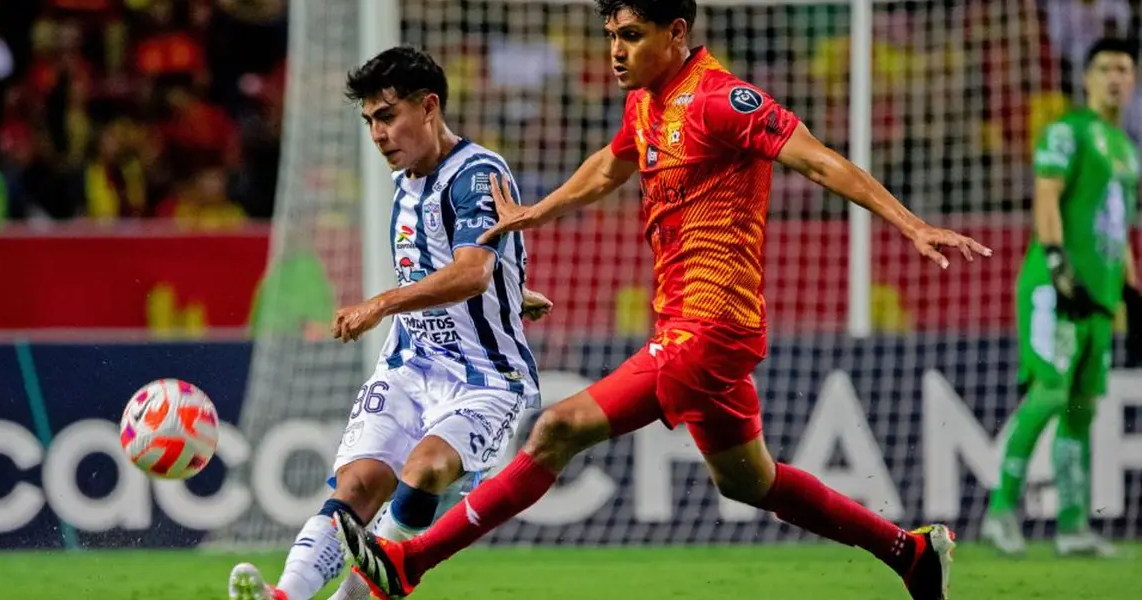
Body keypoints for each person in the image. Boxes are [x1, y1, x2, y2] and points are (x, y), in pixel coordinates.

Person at [337, 2, 992, 600]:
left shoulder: (720, 100)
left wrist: (909, 222)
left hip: (712, 326)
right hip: (688, 322)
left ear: (676, 33)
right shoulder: (646, 103)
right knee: (748, 482)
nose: (616, 51)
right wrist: (537, 212)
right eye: (610, 37)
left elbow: (817, 160)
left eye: (630, 36)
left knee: (558, 430)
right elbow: (608, 166)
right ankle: (911, 554)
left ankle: (409, 563)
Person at [227, 45, 553, 600]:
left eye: (387, 115)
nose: (378, 134)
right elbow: (457, 266)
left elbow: (471, 272)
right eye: (370, 121)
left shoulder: (476, 173)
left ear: (429, 107)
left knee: (424, 470)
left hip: (485, 380)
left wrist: (380, 303)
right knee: (358, 485)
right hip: (409, 364)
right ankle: (284, 595)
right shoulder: (404, 183)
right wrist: (512, 290)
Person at [983, 37, 1140, 559]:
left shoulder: (1125, 148)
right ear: (1087, 78)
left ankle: (1073, 527)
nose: (1115, 77)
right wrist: (1056, 261)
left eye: (1124, 68)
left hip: (1099, 300)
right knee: (1050, 392)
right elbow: (1046, 196)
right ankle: (1000, 511)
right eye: (1105, 68)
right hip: (1056, 288)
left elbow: (1117, 227)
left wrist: (1131, 291)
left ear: (1133, 80)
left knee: (1081, 410)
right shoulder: (1067, 132)